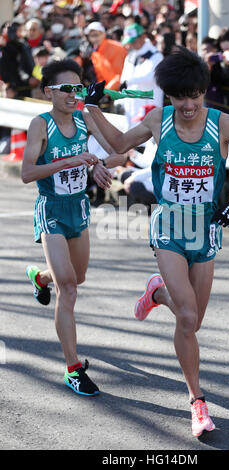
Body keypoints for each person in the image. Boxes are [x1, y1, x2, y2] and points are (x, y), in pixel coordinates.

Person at [84, 46, 229, 437]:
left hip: (205, 229)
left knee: (194, 321)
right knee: (187, 319)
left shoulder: (224, 124)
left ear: (204, 90)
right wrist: (91, 108)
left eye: (195, 95)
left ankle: (156, 294)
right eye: (179, 97)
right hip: (170, 225)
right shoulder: (159, 120)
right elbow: (119, 145)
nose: (188, 104)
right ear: (167, 95)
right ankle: (197, 402)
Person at [21, 58, 124, 396]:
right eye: (66, 88)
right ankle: (73, 369)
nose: (73, 94)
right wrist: (67, 161)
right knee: (69, 288)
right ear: (49, 91)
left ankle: (40, 277)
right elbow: (27, 173)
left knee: (74, 278)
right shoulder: (41, 125)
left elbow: (120, 153)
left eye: (78, 88)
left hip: (78, 207)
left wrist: (97, 166)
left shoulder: (84, 119)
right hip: (51, 209)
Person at [120, 22, 164, 130]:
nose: (131, 45)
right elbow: (123, 79)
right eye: (130, 42)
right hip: (130, 108)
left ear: (143, 37)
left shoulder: (156, 55)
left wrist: (128, 82)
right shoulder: (130, 56)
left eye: (133, 41)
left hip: (148, 106)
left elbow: (151, 77)